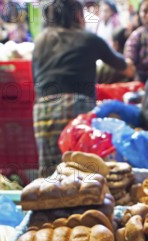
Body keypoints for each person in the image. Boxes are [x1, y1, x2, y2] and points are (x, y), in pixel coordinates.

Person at [32, 0, 134, 176]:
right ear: (78, 14)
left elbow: (36, 79)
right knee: (84, 173)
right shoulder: (88, 38)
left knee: (51, 174)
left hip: (43, 110)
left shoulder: (41, 41)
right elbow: (126, 67)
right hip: (75, 107)